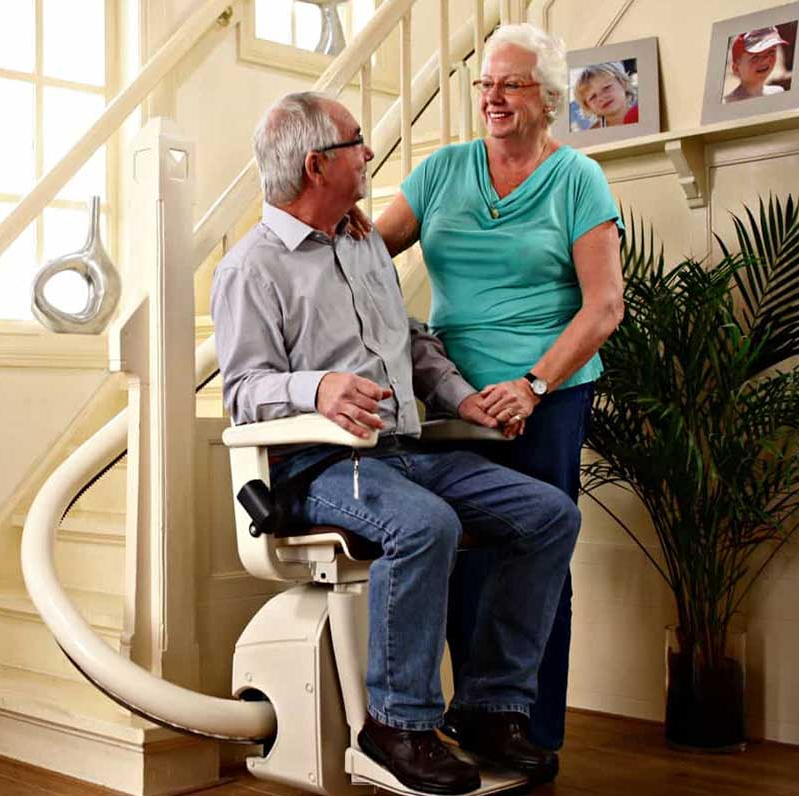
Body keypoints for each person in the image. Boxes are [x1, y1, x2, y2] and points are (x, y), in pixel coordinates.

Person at [212, 90, 580, 792]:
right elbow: (242, 390)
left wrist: (461, 397)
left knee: (548, 514)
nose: (370, 152)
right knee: (424, 524)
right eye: (358, 142)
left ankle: (488, 710)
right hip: (316, 466)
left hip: (402, 454)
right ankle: (395, 725)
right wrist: (315, 388)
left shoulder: (362, 244)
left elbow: (409, 343)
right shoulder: (250, 268)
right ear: (318, 165)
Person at [363, 23, 625, 752]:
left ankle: (530, 734)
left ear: (546, 98)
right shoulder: (442, 172)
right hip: (452, 402)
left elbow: (604, 305)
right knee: (459, 555)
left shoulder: (577, 179)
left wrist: (535, 384)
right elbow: (364, 252)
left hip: (548, 397)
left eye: (510, 84)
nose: (493, 98)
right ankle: (472, 719)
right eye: (485, 84)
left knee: (538, 559)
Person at [724, 26, 789, 102]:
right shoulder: (728, 102)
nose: (766, 60)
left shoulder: (778, 91)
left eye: (771, 52)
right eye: (755, 57)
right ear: (736, 69)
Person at [573, 62, 638, 128]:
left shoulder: (641, 114)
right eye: (593, 97)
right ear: (588, 107)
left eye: (606, 88)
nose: (601, 98)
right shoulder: (594, 133)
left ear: (623, 84)